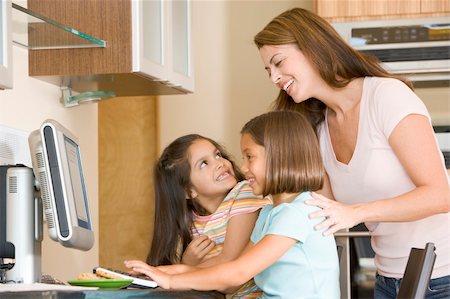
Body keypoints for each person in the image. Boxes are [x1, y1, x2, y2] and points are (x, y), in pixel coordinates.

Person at [253, 7, 450, 298]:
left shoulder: (385, 96)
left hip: (442, 275)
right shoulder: (318, 130)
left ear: (311, 46)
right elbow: (321, 209)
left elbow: (440, 195)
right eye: (269, 70)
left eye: (278, 62)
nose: (275, 77)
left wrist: (357, 211)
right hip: (389, 280)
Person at [125, 111, 340, 299]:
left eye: (249, 157)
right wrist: (158, 272)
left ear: (279, 157)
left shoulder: (299, 212)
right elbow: (232, 266)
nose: (243, 167)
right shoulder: (269, 213)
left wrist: (170, 281)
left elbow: (238, 273)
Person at [148, 134, 270, 298]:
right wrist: (187, 264)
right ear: (188, 190)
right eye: (204, 163)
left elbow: (230, 262)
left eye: (217, 154)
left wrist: (183, 269)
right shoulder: (192, 221)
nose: (219, 163)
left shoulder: (245, 192)